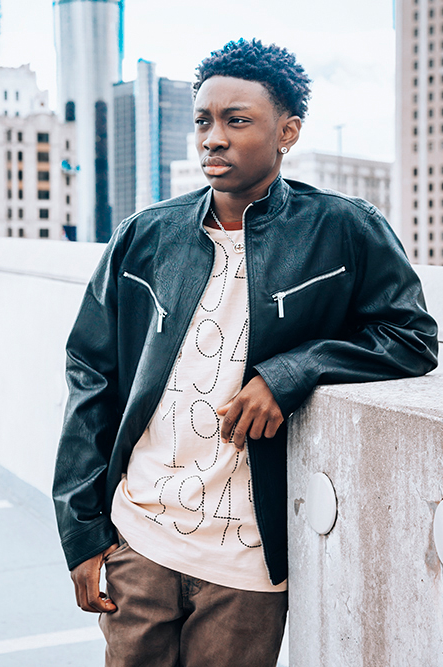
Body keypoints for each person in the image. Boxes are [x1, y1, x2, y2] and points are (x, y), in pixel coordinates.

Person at [53, 38, 438, 667]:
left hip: (248, 563)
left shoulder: (343, 228)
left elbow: (412, 337)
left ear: (286, 132)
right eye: (202, 121)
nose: (213, 138)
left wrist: (290, 373)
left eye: (237, 121)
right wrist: (82, 531)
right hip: (139, 539)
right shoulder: (145, 235)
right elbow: (90, 376)